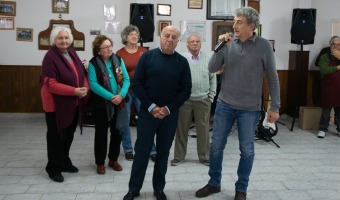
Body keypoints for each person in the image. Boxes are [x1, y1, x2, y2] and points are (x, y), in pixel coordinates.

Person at [195, 7, 280, 200]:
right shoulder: (227, 43)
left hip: (249, 109)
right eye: (234, 22)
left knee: (247, 151)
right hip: (225, 105)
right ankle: (214, 183)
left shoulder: (264, 46)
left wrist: (274, 106)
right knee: (216, 147)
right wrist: (220, 46)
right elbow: (212, 67)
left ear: (251, 26)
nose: (234, 26)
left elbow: (273, 77)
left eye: (239, 22)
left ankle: (241, 188)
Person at [123, 26, 192, 200]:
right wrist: (152, 106)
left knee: (163, 153)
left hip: (170, 115)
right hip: (148, 113)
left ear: (178, 41)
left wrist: (168, 108)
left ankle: (159, 188)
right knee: (142, 151)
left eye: (174, 37)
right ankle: (134, 188)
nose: (170, 39)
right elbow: (137, 84)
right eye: (166, 35)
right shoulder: (147, 57)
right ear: (160, 37)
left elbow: (186, 90)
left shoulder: (182, 62)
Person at [40, 26, 89, 183]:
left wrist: (85, 88)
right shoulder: (50, 57)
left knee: (69, 134)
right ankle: (53, 167)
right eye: (60, 38)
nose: (64, 40)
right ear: (54, 40)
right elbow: (51, 84)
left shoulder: (72, 52)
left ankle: (64, 161)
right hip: (55, 105)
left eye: (66, 38)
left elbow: (82, 73)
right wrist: (74, 91)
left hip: (73, 102)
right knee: (56, 136)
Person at [171, 34, 216, 166]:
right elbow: (175, 79)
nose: (195, 43)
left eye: (197, 41)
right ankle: (179, 156)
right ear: (187, 44)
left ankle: (205, 157)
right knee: (181, 129)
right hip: (184, 101)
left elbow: (213, 79)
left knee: (203, 131)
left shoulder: (208, 59)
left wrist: (211, 96)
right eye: (192, 41)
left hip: (203, 100)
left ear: (201, 44)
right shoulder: (181, 59)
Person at [88, 35, 130, 174]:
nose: (109, 49)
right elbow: (93, 85)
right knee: (101, 133)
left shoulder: (118, 60)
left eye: (110, 46)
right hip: (101, 104)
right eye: (105, 47)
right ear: (98, 50)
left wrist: (121, 95)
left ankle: (113, 159)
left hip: (119, 103)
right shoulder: (93, 63)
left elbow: (126, 80)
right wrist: (112, 97)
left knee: (117, 132)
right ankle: (100, 162)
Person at [116, 25, 157, 162]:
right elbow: (118, 75)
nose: (135, 36)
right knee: (125, 121)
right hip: (126, 92)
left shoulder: (144, 51)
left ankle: (151, 149)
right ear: (125, 37)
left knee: (147, 120)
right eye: (132, 34)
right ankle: (128, 149)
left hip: (142, 91)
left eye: (136, 34)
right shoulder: (119, 54)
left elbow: (150, 70)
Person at [316, 36, 340, 138]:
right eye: (333, 44)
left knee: (339, 110)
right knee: (326, 110)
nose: (336, 46)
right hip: (329, 88)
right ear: (330, 45)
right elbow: (324, 70)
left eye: (338, 45)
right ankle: (322, 129)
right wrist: (338, 67)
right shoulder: (324, 57)